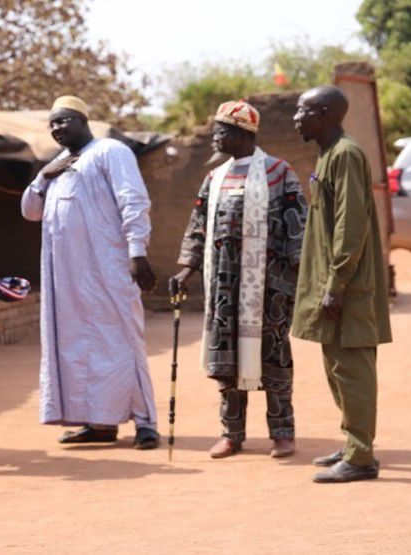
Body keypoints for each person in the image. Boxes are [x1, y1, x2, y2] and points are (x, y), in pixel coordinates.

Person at [20, 95, 160, 449]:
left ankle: (145, 422)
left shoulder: (110, 151)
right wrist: (41, 178)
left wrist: (137, 252)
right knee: (78, 349)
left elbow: (133, 201)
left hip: (108, 272)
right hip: (67, 282)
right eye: (52, 123)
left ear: (83, 121)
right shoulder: (56, 165)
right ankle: (99, 423)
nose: (56, 128)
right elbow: (30, 212)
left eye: (64, 120)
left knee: (122, 343)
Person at [173, 101, 308, 459]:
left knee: (274, 357)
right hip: (223, 289)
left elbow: (299, 227)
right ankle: (232, 433)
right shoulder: (214, 178)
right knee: (227, 362)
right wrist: (185, 269)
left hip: (270, 288)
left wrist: (302, 275)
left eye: (220, 132)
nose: (215, 138)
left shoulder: (279, 173)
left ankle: (282, 433)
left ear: (241, 134)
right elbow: (198, 226)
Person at [292, 85, 392, 483]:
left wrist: (336, 284)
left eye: (303, 111)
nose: (295, 118)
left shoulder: (346, 155)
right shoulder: (329, 155)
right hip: (332, 285)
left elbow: (351, 227)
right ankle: (354, 445)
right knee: (337, 368)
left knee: (352, 369)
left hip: (346, 286)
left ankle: (361, 458)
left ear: (326, 113)